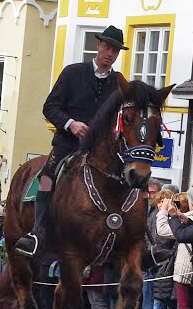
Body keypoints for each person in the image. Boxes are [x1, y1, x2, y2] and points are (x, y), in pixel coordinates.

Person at [15, 25, 126, 257]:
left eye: (115, 51)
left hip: (100, 149)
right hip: (68, 144)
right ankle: (37, 232)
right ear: (98, 45)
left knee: (128, 180)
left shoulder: (118, 83)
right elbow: (50, 107)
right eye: (107, 48)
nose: (110, 54)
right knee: (47, 179)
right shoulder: (73, 72)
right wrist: (71, 124)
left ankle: (137, 240)